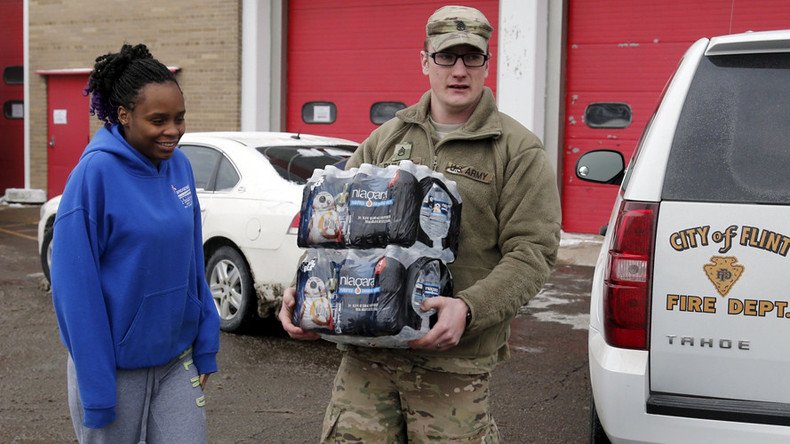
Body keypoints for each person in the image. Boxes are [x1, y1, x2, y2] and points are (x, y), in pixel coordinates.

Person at [279, 5, 561, 443]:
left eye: (472, 57)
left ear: (488, 64)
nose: (459, 70)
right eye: (447, 57)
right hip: (367, 359)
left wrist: (469, 309)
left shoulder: (516, 150)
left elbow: (533, 252)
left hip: (454, 364)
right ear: (425, 60)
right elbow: (334, 236)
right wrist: (307, 299)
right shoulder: (387, 137)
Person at [50, 43, 220, 443]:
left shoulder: (178, 165)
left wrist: (206, 341)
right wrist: (96, 387)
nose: (173, 131)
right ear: (123, 115)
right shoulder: (94, 176)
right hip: (114, 369)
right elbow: (76, 293)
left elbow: (192, 261)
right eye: (158, 120)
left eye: (180, 119)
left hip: (174, 359)